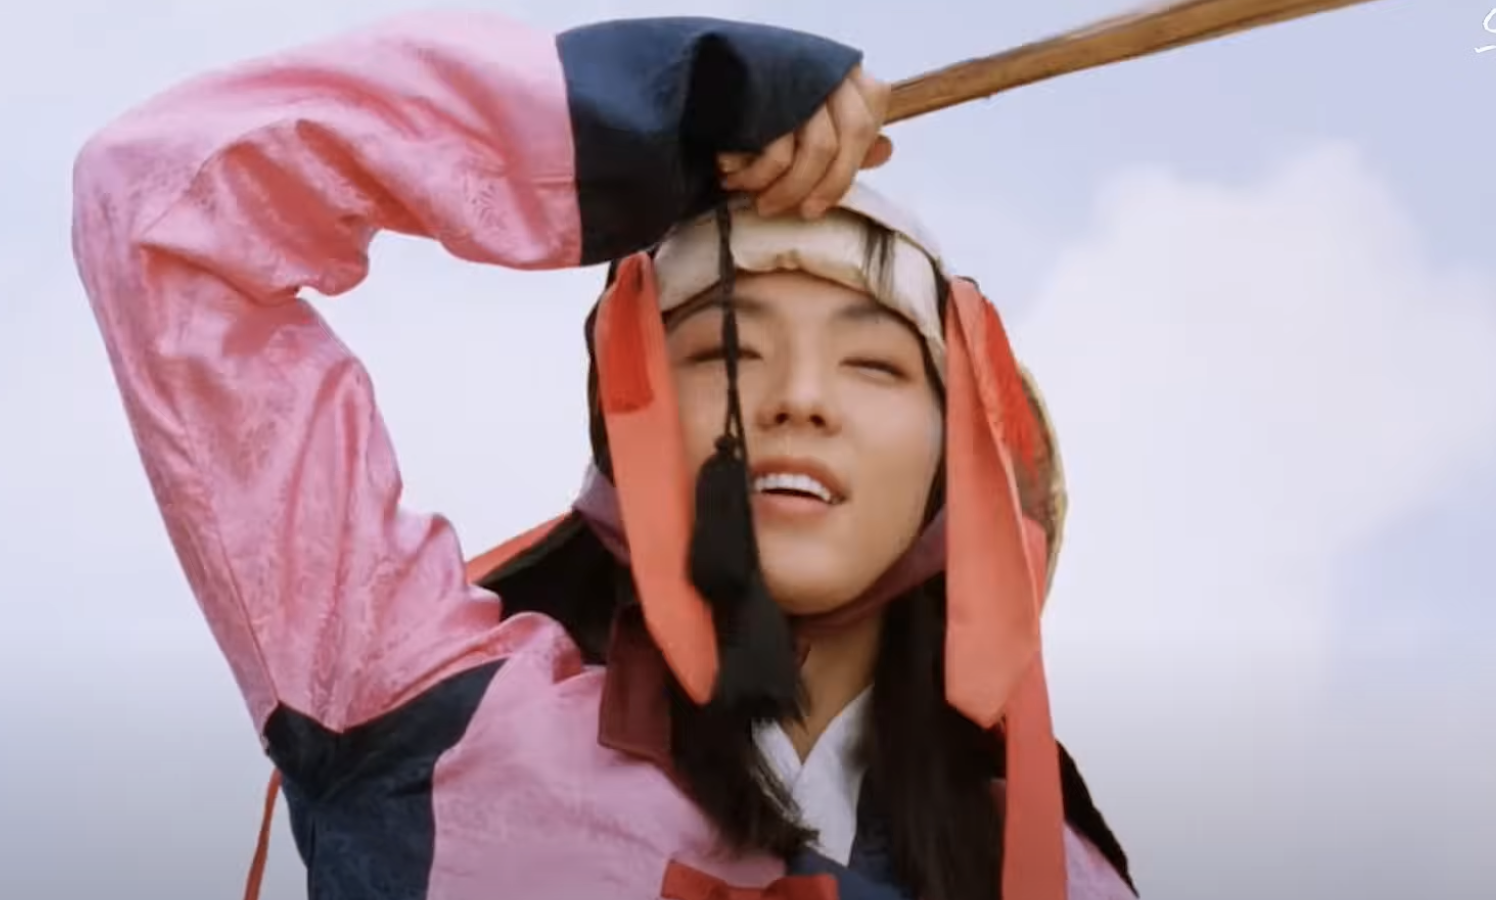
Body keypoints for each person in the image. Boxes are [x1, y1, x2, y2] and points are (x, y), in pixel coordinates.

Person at [70, 10, 1136, 900]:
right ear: (628, 425)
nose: (800, 399)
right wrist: (638, 112)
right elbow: (161, 201)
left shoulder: (1057, 877)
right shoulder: (423, 717)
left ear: (957, 464)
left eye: (873, 366)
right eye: (724, 350)